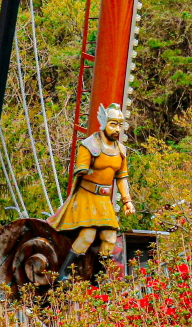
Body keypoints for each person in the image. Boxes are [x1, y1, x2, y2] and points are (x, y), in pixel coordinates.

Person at [49, 103, 135, 282]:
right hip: (86, 195)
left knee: (110, 238)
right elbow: (81, 168)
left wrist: (127, 200)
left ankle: (99, 276)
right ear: (104, 122)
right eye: (113, 124)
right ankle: (64, 272)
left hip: (104, 199)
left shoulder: (121, 150)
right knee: (87, 235)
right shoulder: (89, 145)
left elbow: (122, 177)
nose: (116, 129)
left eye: (119, 124)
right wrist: (83, 170)